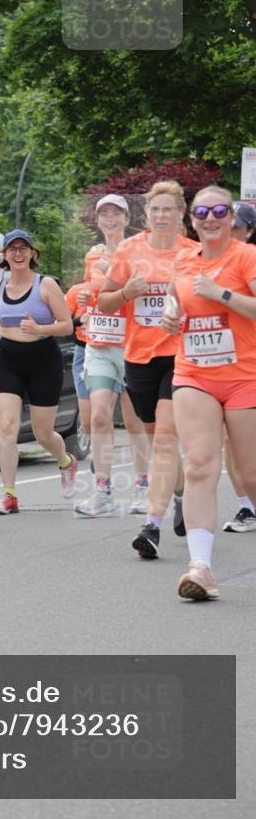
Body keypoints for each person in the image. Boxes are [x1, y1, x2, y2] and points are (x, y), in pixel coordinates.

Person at [162, 186, 256, 600]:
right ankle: (201, 567)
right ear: (193, 219)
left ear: (232, 217)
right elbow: (176, 295)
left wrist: (221, 294)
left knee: (250, 474)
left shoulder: (246, 257)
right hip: (194, 373)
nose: (210, 217)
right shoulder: (184, 260)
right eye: (202, 211)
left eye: (219, 210)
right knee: (199, 464)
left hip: (245, 376)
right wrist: (170, 312)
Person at [98, 180, 195, 558]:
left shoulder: (192, 252)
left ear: (180, 213)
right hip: (139, 357)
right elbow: (105, 303)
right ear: (146, 214)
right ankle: (183, 494)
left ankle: (150, 527)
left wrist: (184, 314)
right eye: (155, 210)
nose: (161, 216)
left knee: (167, 438)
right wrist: (126, 293)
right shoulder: (129, 250)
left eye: (168, 209)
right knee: (159, 440)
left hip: (180, 354)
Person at [0, 229, 76, 514]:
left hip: (43, 360)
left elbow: (67, 325)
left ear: (33, 253)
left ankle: (65, 461)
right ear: (4, 255)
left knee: (43, 433)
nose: (18, 253)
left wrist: (40, 329)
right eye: (13, 249)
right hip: (9, 359)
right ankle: (9, 495)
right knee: (7, 427)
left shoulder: (45, 285)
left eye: (24, 248)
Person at [73, 195, 151, 517]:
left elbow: (142, 292)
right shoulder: (92, 255)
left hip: (131, 343)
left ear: (126, 217)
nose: (109, 219)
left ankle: (144, 486)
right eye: (103, 214)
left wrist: (116, 284)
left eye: (115, 214)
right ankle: (102, 490)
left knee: (133, 421)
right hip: (99, 344)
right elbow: (92, 296)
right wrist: (83, 302)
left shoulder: (137, 251)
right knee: (100, 416)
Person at [222, 200, 256, 532]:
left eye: (237, 228)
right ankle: (246, 506)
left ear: (249, 230)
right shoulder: (210, 263)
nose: (231, 233)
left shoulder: (252, 262)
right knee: (229, 441)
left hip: (251, 363)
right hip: (222, 365)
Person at [64, 281, 92, 454]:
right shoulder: (76, 291)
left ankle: (99, 452)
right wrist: (79, 320)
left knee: (103, 407)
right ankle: (93, 442)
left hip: (110, 351)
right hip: (83, 350)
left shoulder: (118, 288)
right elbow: (64, 323)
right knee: (87, 410)